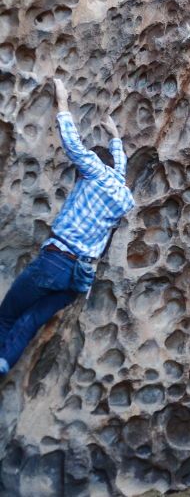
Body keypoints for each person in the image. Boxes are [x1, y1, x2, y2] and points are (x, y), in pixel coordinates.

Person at [0, 78, 135, 375]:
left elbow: (73, 146)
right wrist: (115, 138)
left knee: (7, 316)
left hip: (56, 261)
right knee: (31, 321)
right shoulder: (123, 195)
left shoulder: (96, 173)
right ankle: (4, 363)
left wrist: (62, 102)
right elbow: (120, 171)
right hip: (78, 279)